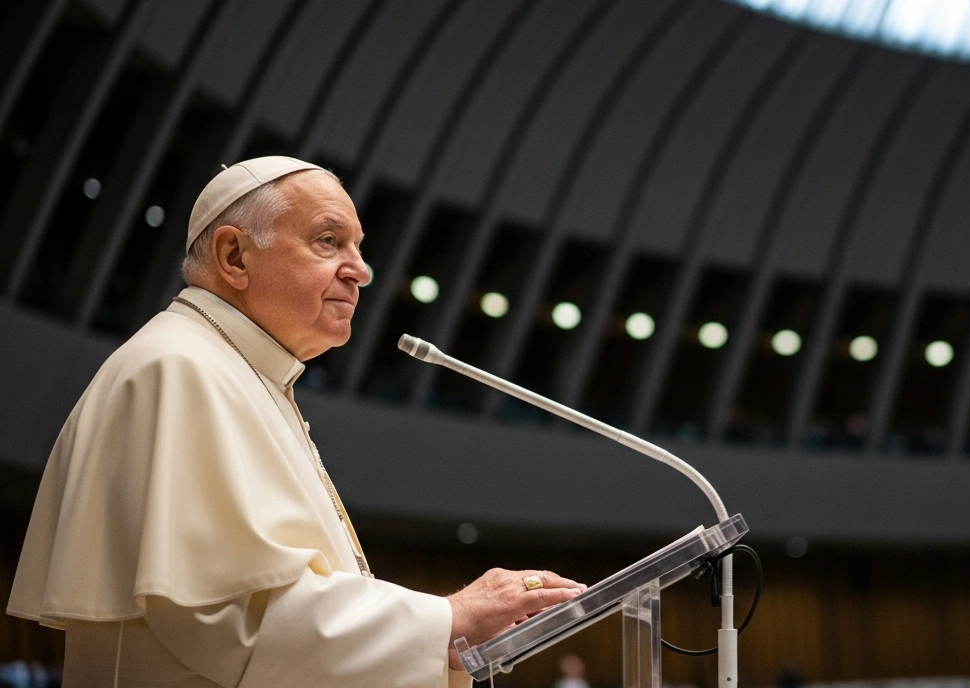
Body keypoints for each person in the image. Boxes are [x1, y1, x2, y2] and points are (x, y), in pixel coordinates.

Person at [6, 157, 586, 687]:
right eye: (329, 241)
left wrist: (445, 638)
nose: (360, 271)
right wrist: (449, 620)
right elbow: (231, 616)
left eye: (358, 248)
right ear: (235, 257)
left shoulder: (242, 374)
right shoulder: (179, 369)